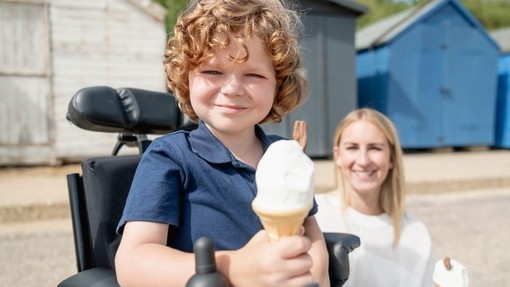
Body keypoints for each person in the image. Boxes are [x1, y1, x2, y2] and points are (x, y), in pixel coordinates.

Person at [114, 0, 329, 286]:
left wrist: (315, 277)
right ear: (186, 78)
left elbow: (313, 240)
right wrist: (233, 268)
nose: (232, 89)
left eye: (253, 74)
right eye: (213, 72)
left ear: (278, 84)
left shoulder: (285, 156)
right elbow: (132, 263)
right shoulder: (170, 156)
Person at [315, 108, 434, 287]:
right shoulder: (314, 215)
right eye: (352, 147)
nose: (363, 160)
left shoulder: (415, 234)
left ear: (392, 157)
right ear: (338, 155)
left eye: (375, 148)